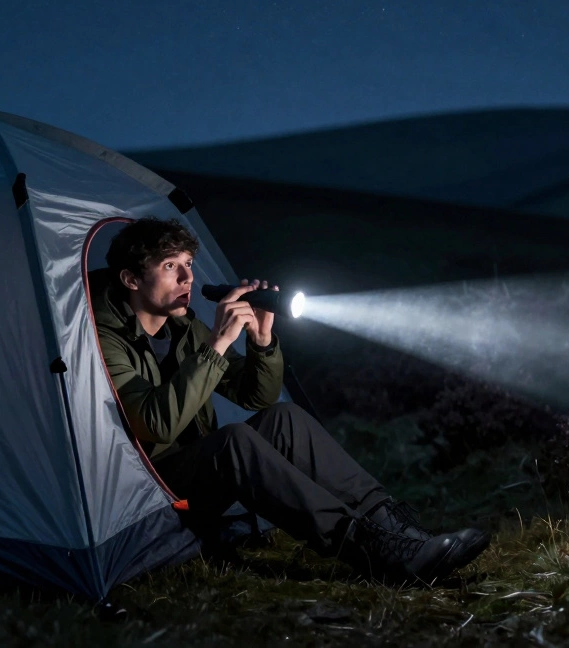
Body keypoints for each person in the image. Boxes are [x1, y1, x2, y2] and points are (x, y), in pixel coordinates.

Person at [89, 216, 490, 584]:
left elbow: (256, 396)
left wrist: (262, 342)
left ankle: (403, 534)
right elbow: (154, 424)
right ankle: (370, 549)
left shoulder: (184, 329)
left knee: (285, 417)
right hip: (150, 491)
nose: (187, 278)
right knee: (233, 441)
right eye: (169, 266)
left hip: (203, 471)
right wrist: (218, 342)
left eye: (189, 263)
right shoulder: (101, 338)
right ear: (131, 279)